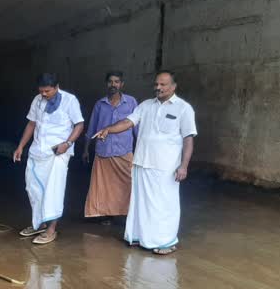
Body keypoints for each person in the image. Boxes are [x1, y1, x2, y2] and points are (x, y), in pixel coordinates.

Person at [94, 71, 196, 255]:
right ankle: (141, 237)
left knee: (164, 205)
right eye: (156, 84)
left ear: (173, 86)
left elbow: (188, 139)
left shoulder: (183, 108)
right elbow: (127, 122)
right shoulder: (146, 106)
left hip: (166, 167)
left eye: (163, 85)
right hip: (142, 163)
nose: (158, 87)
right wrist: (109, 129)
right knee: (141, 204)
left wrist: (184, 166)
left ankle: (166, 241)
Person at [13, 73, 84, 245]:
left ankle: (51, 229)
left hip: (58, 153)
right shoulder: (37, 100)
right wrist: (21, 146)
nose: (44, 94)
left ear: (56, 86)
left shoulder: (69, 100)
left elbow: (79, 124)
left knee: (53, 190)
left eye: (47, 91)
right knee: (33, 188)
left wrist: (67, 144)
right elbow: (32, 123)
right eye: (41, 91)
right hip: (38, 151)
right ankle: (39, 223)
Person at [83, 71, 138, 224]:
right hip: (103, 151)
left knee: (129, 183)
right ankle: (108, 215)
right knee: (105, 187)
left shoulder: (131, 102)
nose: (113, 85)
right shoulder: (100, 104)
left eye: (117, 82)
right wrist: (86, 149)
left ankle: (130, 214)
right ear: (106, 84)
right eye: (110, 82)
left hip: (124, 151)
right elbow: (92, 128)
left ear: (122, 84)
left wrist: (141, 149)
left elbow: (136, 128)